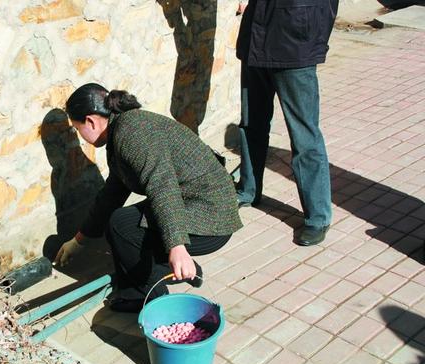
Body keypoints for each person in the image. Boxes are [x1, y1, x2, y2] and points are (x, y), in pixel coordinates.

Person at [54, 83, 242, 313]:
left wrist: (177, 247)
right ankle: (146, 283)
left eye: (78, 128)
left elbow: (162, 186)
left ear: (91, 121)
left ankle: (153, 292)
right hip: (197, 204)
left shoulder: (131, 134)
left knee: (121, 226)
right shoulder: (124, 128)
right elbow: (111, 195)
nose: (82, 138)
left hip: (211, 218)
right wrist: (79, 240)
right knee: (121, 221)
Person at [235, 0, 339, 246]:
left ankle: (318, 216)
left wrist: (309, 34)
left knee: (304, 135)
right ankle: (249, 190)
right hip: (255, 39)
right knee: (251, 124)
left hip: (294, 43)